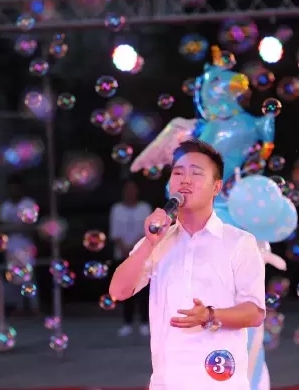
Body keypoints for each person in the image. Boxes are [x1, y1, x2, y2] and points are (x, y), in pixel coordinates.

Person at [109, 139, 266, 390]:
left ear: (217, 187)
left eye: (196, 173)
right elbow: (118, 291)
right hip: (167, 383)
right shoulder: (158, 242)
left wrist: (210, 315)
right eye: (178, 173)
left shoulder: (239, 242)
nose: (185, 180)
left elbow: (255, 312)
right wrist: (149, 243)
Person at [109, 179, 152, 337]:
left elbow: (148, 230)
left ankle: (144, 323)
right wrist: (126, 250)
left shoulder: (144, 208)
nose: (130, 192)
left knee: (143, 290)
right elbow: (115, 233)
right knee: (125, 289)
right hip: (122, 255)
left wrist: (135, 249)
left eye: (132, 189)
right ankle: (127, 323)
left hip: (142, 255)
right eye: (127, 189)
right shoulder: (117, 209)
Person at [0, 176, 40, 315]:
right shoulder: (5, 206)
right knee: (14, 275)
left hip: (26, 243)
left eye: (16, 187)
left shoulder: (28, 203)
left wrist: (19, 226)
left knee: (29, 274)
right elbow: (3, 226)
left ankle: (34, 307)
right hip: (11, 244)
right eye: (11, 187)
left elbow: (31, 224)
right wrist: (17, 226)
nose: (13, 190)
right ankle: (19, 307)